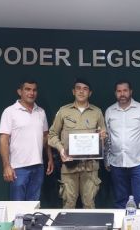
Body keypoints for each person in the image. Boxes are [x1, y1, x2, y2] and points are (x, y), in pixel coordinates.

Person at [48, 78, 106, 209]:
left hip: (90, 167)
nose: (81, 91)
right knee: (68, 204)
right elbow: (51, 135)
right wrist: (61, 149)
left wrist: (102, 136)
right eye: (78, 88)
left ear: (90, 93)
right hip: (69, 166)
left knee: (89, 205)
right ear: (73, 91)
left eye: (85, 89)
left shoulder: (97, 112)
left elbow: (103, 135)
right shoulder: (63, 111)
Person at [105, 80, 140, 208]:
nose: (122, 94)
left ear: (131, 92)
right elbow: (107, 138)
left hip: (138, 163)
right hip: (116, 163)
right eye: (119, 91)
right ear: (115, 93)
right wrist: (106, 160)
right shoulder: (110, 111)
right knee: (120, 200)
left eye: (125, 90)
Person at [0, 79, 54, 201]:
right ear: (20, 91)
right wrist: (6, 166)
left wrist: (49, 158)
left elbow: (46, 136)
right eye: (27, 89)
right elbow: (3, 140)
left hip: (38, 167)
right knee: (17, 208)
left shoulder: (41, 112)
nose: (31, 93)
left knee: (33, 206)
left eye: (34, 90)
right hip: (18, 168)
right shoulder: (10, 112)